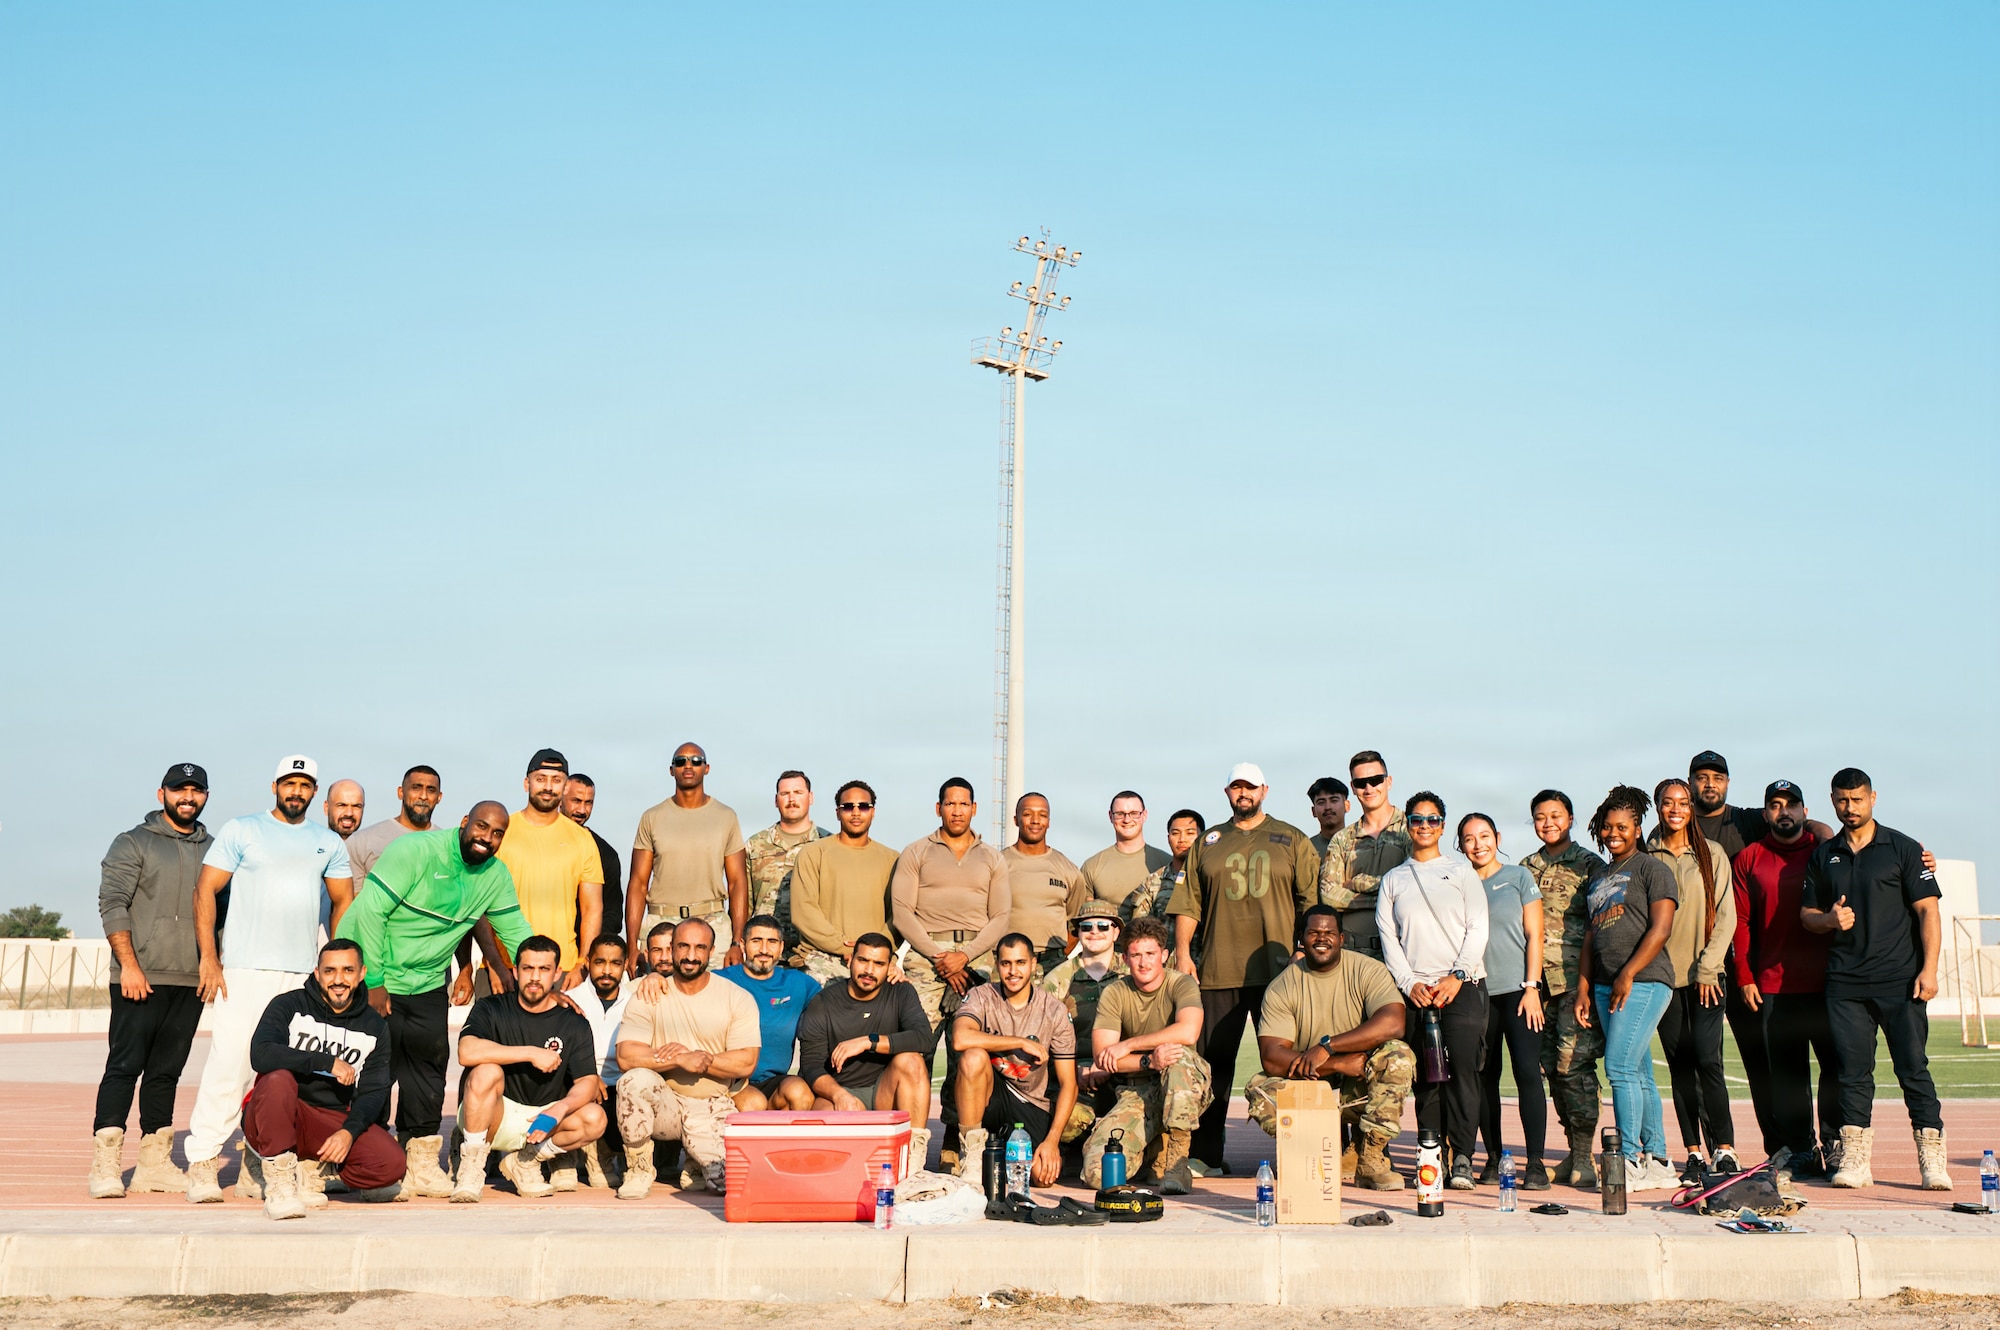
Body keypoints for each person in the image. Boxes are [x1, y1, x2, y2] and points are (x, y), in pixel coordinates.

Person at [334, 801, 532, 1197]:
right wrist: (373, 981)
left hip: (425, 981)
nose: (487, 838)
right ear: (464, 823)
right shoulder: (415, 851)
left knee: (427, 1069)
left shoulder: (495, 874)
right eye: (481, 827)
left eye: (497, 834)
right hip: (373, 972)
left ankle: (419, 1162)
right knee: (374, 1069)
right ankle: (359, 1159)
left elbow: (515, 930)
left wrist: (542, 975)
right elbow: (371, 912)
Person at [184, 755, 356, 1203]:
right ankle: (202, 1162)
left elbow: (342, 904)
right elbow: (205, 889)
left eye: (304, 785)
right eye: (289, 783)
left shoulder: (328, 842)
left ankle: (260, 1163)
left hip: (302, 974)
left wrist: (337, 969)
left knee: (285, 1072)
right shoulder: (242, 830)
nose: (296, 791)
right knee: (232, 1064)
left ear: (314, 793)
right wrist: (210, 958)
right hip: (243, 969)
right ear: (275, 785)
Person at [1167, 763, 1317, 1173]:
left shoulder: (1291, 838)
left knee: (1292, 1064)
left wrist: (1303, 950)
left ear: (1265, 790)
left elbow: (1310, 903)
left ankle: (1301, 1154)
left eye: (1250, 786)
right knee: (1213, 1066)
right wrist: (1183, 954)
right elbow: (1188, 904)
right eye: (1237, 786)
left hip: (1279, 974)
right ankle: (1205, 1156)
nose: (1243, 793)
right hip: (1218, 971)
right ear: (1227, 791)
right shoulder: (1209, 841)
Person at [1801, 768, 1947, 1190]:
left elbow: (1928, 912)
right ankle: (1856, 1160)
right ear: (1833, 801)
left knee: (1913, 1069)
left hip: (1900, 981)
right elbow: (1806, 915)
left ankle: (1932, 1159)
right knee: (1852, 1072)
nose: (1850, 808)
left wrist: (1929, 969)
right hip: (1844, 984)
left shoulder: (1903, 848)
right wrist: (1827, 919)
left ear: (1873, 798)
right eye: (1843, 801)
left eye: (1858, 800)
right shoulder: (1823, 855)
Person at [1687, 749, 1832, 1154]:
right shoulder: (1676, 826)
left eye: (1717, 776)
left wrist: (1832, 841)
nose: (1709, 783)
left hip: (1746, 966)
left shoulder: (1747, 819)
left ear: (1728, 783)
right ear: (1691, 782)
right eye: (1701, 776)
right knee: (1704, 1062)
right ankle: (1716, 1150)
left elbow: (1807, 822)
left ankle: (1788, 1147)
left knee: (1766, 1064)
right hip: (1697, 966)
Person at [90, 763, 213, 1199]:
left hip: (190, 980)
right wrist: (130, 966)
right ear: (162, 794)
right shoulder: (132, 842)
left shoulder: (214, 849)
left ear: (205, 796)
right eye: (180, 789)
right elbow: (112, 903)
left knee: (166, 1073)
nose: (188, 797)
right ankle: (106, 1163)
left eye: (196, 790)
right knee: (124, 1067)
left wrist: (211, 963)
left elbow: (220, 915)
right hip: (138, 978)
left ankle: (154, 1163)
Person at [1244, 904, 1412, 1191]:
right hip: (1311, 1084)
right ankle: (1314, 1150)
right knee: (1260, 1091)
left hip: (1357, 1085)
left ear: (1342, 938)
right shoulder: (1283, 986)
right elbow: (1272, 1057)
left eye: (1329, 933)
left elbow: (1394, 1023)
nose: (1322, 939)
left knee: (1397, 1055)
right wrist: (1334, 1062)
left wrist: (1329, 1046)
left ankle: (1369, 1156)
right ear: (1301, 939)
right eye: (1313, 933)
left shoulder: (1367, 970)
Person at [890, 777, 1011, 1168]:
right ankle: (912, 1143)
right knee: (917, 1051)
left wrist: (966, 955)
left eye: (964, 804)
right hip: (927, 961)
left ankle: (957, 1145)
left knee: (968, 1053)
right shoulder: (916, 852)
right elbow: (902, 912)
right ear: (938, 807)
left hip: (976, 959)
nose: (957, 810)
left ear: (974, 808)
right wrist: (940, 956)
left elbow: (1002, 916)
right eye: (950, 803)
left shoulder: (992, 857)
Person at [242, 939, 404, 1218]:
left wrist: (349, 1132)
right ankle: (279, 1180)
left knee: (391, 1165)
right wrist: (325, 1062)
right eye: (329, 971)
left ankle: (313, 1171)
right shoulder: (289, 1005)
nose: (338, 980)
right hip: (283, 1110)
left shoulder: (375, 1027)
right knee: (278, 1078)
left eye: (347, 970)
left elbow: (374, 1091)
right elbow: (261, 1053)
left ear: (362, 973)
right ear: (317, 973)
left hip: (330, 1119)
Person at [1377, 791, 1489, 1189]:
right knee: (1427, 1078)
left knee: (1461, 1073)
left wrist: (1456, 976)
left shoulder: (1461, 872)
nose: (1424, 826)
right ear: (1407, 824)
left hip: (1462, 987)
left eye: (1432, 819)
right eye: (1416, 819)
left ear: (1443, 825)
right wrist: (1409, 983)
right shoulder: (1393, 879)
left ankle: (1462, 1157)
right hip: (1417, 993)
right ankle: (1431, 1155)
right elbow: (1389, 938)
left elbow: (1478, 927)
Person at [1731, 781, 1840, 1179]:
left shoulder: (1826, 851)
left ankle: (1836, 1146)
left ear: (1804, 810)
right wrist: (1744, 975)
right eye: (1775, 805)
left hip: (1829, 983)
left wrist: (1920, 858)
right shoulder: (1749, 858)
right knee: (1790, 1078)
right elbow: (1739, 922)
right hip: (1775, 985)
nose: (1784, 812)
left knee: (1836, 1070)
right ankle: (1801, 1150)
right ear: (1765, 814)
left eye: (1791, 804)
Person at [1576, 785, 1680, 1192]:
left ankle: (1630, 1158)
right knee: (1637, 1073)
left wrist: (1628, 972)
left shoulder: (1652, 869)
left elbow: (1661, 927)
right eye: (1607, 827)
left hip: (1645, 981)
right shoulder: (1599, 875)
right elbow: (1590, 937)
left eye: (1622, 826)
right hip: (1604, 986)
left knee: (1618, 1068)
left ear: (1637, 828)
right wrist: (1585, 988)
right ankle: (1657, 1159)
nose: (1613, 833)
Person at [612, 919, 761, 1197]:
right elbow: (626, 1056)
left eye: (699, 947)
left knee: (729, 1185)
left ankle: (695, 1163)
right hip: (665, 1105)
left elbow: (746, 1061)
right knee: (634, 1081)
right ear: (671, 949)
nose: (691, 956)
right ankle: (640, 1167)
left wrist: (702, 1059)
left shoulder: (736, 998)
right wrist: (677, 1060)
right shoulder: (650, 993)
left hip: (711, 1104)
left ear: (711, 951)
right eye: (683, 946)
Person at [453, 935, 607, 1202]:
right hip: (493, 1116)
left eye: (544, 969)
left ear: (557, 973)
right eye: (528, 968)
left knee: (595, 1117)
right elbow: (466, 1053)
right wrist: (530, 1053)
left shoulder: (574, 1022)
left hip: (544, 1119)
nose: (535, 977)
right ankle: (472, 1167)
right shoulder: (491, 1008)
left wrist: (561, 1108)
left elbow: (587, 1082)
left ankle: (525, 1162)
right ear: (515, 970)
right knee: (486, 1071)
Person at [1647, 778, 1740, 1184]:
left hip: (1705, 977)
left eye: (1682, 802)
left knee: (1708, 1059)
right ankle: (1693, 1152)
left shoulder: (1711, 854)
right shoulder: (1646, 856)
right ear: (1658, 807)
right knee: (1679, 1065)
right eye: (1667, 802)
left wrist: (1708, 967)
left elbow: (1726, 915)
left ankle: (1724, 1148)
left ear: (1691, 807)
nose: (1676, 808)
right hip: (1663, 980)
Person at [1079, 916, 1210, 1194]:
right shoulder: (1115, 992)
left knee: (1175, 1057)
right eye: (1136, 955)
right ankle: (1151, 1153)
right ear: (1124, 958)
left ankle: (1177, 1162)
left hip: (1182, 1086)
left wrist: (1129, 1045)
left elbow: (1188, 1032)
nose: (1144, 962)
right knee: (1099, 1173)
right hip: (1136, 1092)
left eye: (1151, 954)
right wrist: (1148, 1060)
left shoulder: (1181, 984)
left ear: (1164, 955)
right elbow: (1103, 1055)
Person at [1523, 789, 1607, 1188]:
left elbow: (1601, 924)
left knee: (1575, 1068)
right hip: (1536, 987)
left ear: (1571, 819)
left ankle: (1585, 1155)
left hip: (1576, 984)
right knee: (1551, 1071)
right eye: (1540, 817)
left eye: (1555, 815)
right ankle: (1573, 1152)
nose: (1548, 823)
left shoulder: (1591, 865)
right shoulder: (1526, 868)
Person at [1462, 812, 1550, 1190]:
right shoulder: (1459, 884)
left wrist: (1532, 987)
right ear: (1461, 845)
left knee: (1528, 1074)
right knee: (1484, 1078)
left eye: (1484, 835)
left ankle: (1535, 1163)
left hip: (1518, 993)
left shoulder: (1518, 878)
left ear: (1497, 837)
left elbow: (1536, 935)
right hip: (1477, 993)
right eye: (1469, 838)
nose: (1478, 844)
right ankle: (1494, 1157)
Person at [795, 933, 936, 1164]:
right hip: (839, 1090)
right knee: (822, 1114)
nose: (869, 971)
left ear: (890, 966)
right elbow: (810, 1067)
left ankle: (913, 1158)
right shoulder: (823, 1003)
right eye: (863, 961)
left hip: (884, 1091)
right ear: (850, 960)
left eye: (879, 964)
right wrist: (840, 1096)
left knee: (912, 1061)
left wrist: (867, 1041)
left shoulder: (901, 992)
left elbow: (922, 1039)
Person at [950, 933, 1079, 1186]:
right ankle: (972, 1158)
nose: (1013, 971)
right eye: (1006, 963)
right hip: (991, 1094)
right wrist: (1020, 1042)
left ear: (1033, 964)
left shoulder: (1054, 1010)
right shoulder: (981, 996)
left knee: (1042, 1176)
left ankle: (998, 1156)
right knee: (973, 1057)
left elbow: (1069, 1085)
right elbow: (961, 1038)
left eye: (1020, 963)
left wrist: (1052, 1141)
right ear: (997, 964)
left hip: (1030, 1101)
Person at [627, 742, 749, 970]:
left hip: (712, 922)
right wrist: (632, 945)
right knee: (656, 996)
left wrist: (736, 942)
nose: (688, 765)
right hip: (661, 921)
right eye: (681, 761)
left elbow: (737, 882)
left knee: (715, 998)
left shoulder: (726, 816)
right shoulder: (652, 817)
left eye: (696, 760)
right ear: (672, 770)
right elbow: (638, 883)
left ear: (707, 768)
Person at [496, 749, 603, 987]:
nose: (548, 787)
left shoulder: (582, 839)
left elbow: (592, 908)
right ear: (527, 783)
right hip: (505, 966)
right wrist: (492, 964)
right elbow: (480, 901)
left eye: (556, 781)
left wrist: (582, 963)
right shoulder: (502, 830)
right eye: (540, 779)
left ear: (565, 788)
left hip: (561, 969)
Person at [789, 780, 901, 983]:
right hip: (823, 959)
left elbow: (899, 916)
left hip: (876, 961)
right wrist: (844, 947)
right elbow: (803, 911)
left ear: (873, 812)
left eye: (863, 806)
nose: (856, 813)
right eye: (848, 807)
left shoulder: (892, 859)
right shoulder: (813, 854)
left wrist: (870, 952)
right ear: (837, 813)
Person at [1039, 901, 1128, 1149]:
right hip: (1072, 1078)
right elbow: (1039, 1037)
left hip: (1125, 1075)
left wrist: (1109, 1066)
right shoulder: (1059, 978)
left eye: (1103, 926)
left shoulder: (1132, 971)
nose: (1094, 932)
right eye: (1086, 926)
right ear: (1077, 933)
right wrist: (1071, 1071)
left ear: (1116, 932)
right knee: (1066, 1124)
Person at [716, 914, 820, 1111]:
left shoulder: (798, 983)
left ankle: (792, 1143)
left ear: (781, 947)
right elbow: (683, 987)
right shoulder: (719, 980)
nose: (764, 950)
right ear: (743, 944)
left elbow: (839, 1002)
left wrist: (893, 973)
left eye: (771, 942)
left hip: (775, 1081)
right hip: (731, 1080)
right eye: (756, 941)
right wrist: (655, 978)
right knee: (752, 1104)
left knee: (800, 1093)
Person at [1319, 751, 1412, 962]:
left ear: (1388, 781)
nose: (1369, 788)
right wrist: (1384, 897)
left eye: (1375, 780)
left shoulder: (1411, 829)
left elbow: (1411, 885)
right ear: (1353, 788)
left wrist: (1359, 883)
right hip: (1352, 955)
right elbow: (1328, 896)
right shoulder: (1342, 839)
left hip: (1402, 954)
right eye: (1361, 783)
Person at [563, 934, 633, 1189]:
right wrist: (589, 1076)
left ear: (625, 964)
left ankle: (628, 1155)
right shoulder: (569, 999)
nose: (606, 970)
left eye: (615, 963)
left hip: (623, 1081)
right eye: (599, 962)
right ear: (588, 963)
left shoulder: (636, 1000)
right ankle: (588, 1156)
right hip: (583, 1079)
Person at [742, 770, 829, 954]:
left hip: (812, 951)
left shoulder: (828, 844)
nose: (791, 799)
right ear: (776, 800)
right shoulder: (756, 844)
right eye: (785, 794)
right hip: (763, 949)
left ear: (810, 797)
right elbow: (744, 901)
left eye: (798, 793)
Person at [1001, 793, 1085, 971]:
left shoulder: (1068, 869)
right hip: (1009, 963)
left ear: (1049, 821)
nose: (1035, 820)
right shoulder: (998, 864)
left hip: (1053, 963)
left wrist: (1059, 955)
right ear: (1016, 820)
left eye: (1042, 815)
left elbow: (1077, 923)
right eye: (1027, 814)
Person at [1076, 791, 1172, 924]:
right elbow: (1084, 919)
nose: (1127, 820)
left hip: (1153, 943)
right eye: (1120, 814)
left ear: (1144, 815)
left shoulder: (1166, 864)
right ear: (1110, 816)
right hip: (1108, 943)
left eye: (1134, 813)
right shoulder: (1092, 866)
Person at [344, 765, 444, 892]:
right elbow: (352, 903)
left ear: (439, 797)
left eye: (431, 790)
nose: (423, 796)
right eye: (416, 788)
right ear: (401, 792)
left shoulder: (448, 846)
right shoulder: (361, 841)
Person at [562, 775, 624, 957]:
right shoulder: (536, 840)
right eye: (576, 801)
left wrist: (588, 956)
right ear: (560, 799)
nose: (582, 810)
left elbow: (612, 915)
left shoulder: (606, 854)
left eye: (588, 803)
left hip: (580, 958)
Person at [1307, 776, 1350, 858]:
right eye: (1321, 802)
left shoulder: (1361, 844)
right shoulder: (1307, 849)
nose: (1328, 807)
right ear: (1313, 811)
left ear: (1347, 806)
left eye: (1334, 800)